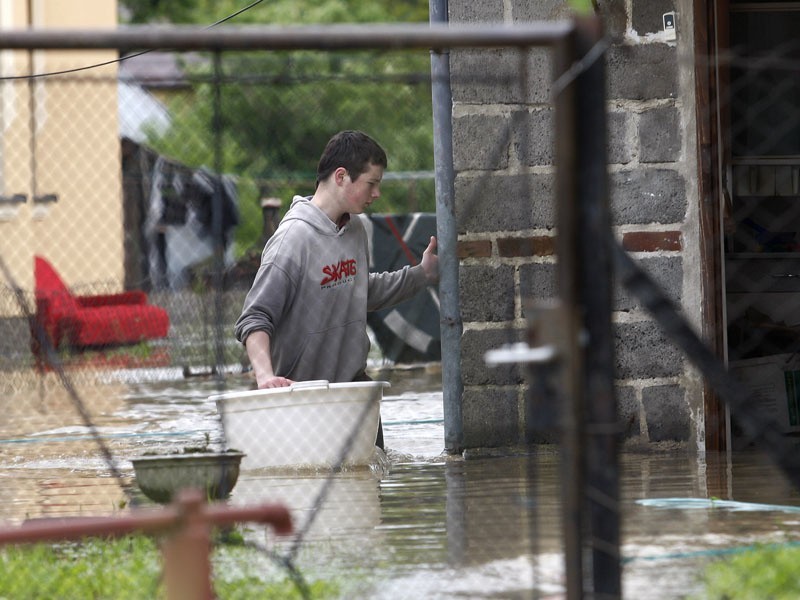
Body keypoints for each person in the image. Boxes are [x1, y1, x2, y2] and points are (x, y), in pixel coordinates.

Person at [234, 130, 439, 448]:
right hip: (302, 400)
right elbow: (254, 319)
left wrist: (422, 274)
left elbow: (359, 292)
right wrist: (265, 377)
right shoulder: (292, 240)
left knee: (372, 485)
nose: (377, 194)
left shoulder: (356, 228)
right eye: (372, 183)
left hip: (355, 392)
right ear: (341, 177)